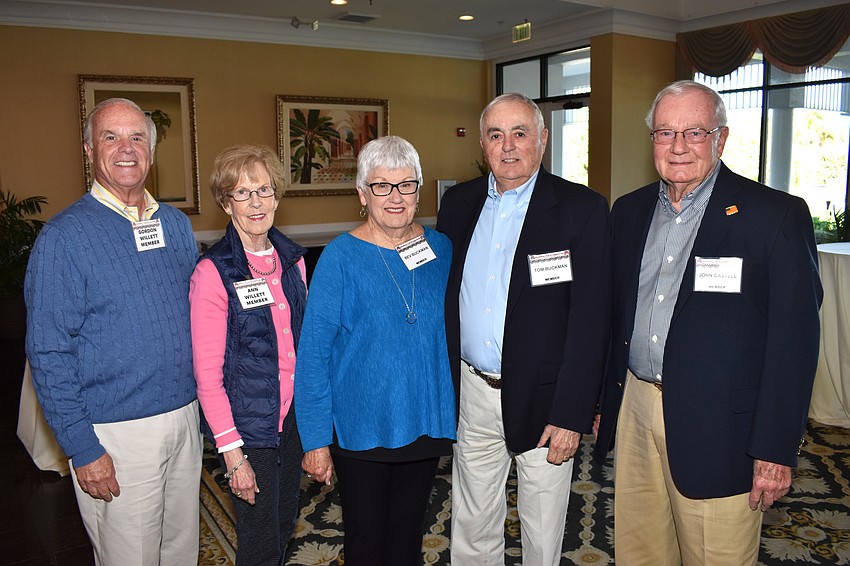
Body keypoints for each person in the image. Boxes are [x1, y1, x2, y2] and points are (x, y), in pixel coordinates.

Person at [594, 80, 823, 566]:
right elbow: (614, 318)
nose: (678, 147)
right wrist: (603, 401)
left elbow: (795, 345)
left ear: (720, 139)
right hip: (636, 407)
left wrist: (775, 447)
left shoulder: (773, 216)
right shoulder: (629, 211)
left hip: (722, 427)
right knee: (640, 552)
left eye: (694, 133)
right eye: (664, 133)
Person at [436, 93, 612, 566]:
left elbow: (592, 320)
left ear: (543, 139)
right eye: (496, 135)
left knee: (541, 522)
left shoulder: (583, 209)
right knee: (471, 520)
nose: (508, 146)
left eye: (520, 133)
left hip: (546, 398)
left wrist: (574, 413)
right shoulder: (458, 203)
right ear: (482, 143)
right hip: (472, 391)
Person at [24, 98, 201, 565]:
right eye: (111, 137)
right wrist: (83, 448)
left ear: (152, 149)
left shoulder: (176, 225)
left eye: (137, 137)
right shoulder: (63, 238)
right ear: (88, 150)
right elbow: (48, 352)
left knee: (180, 551)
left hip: (185, 419)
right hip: (117, 434)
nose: (127, 148)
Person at [294, 135, 456, 566]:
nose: (396, 197)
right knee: (366, 544)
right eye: (382, 186)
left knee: (407, 540)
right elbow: (312, 355)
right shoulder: (339, 257)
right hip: (361, 428)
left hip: (423, 422)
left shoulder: (441, 249)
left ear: (419, 190)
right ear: (362, 194)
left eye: (406, 185)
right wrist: (314, 440)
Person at [189, 145, 307, 565]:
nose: (256, 202)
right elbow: (207, 375)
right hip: (249, 430)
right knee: (258, 547)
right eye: (242, 193)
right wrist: (232, 453)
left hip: (290, 423)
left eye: (264, 189)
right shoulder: (213, 272)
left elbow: (298, 348)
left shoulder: (292, 261)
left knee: (282, 527)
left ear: (277, 195)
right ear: (226, 203)